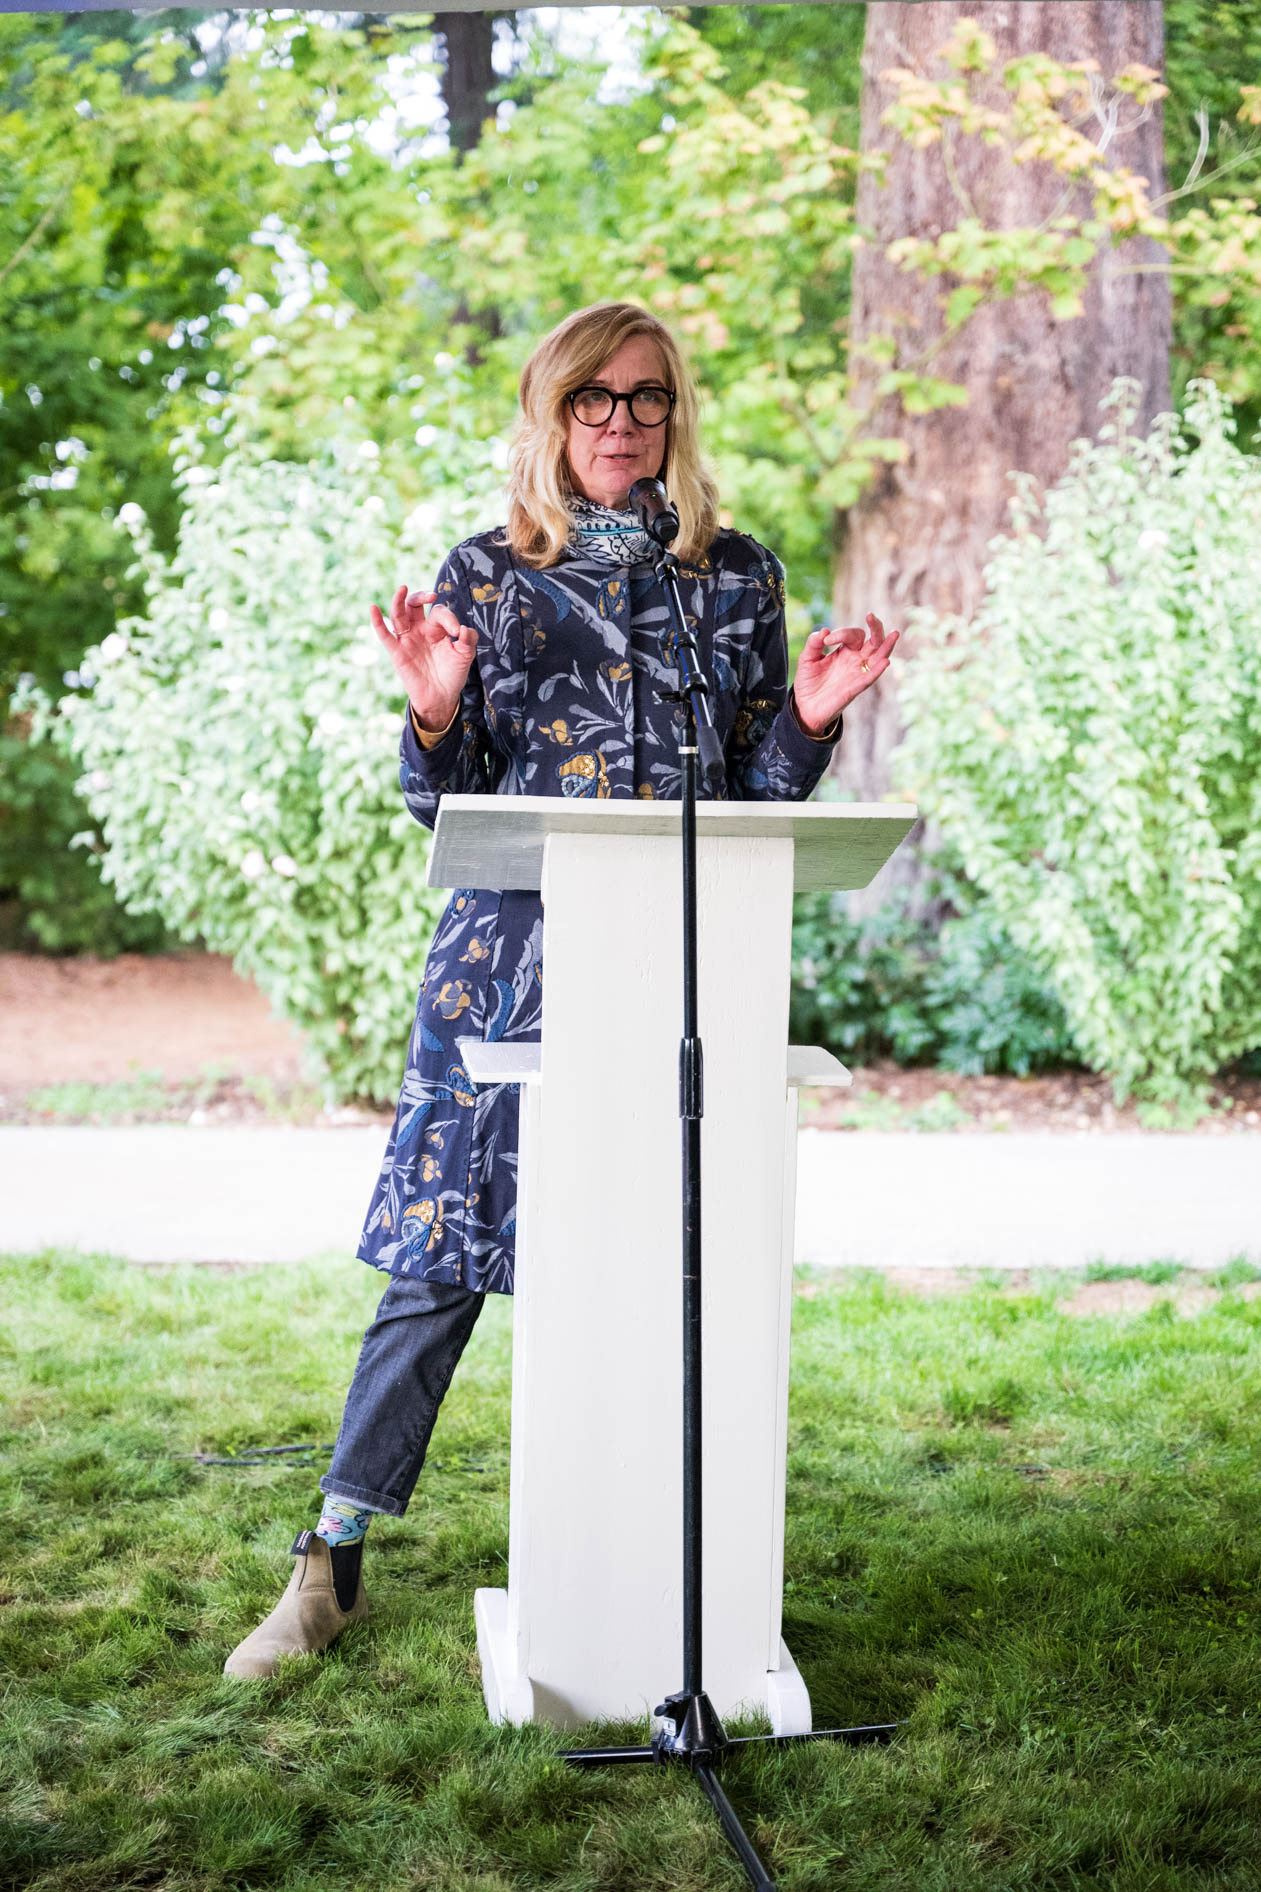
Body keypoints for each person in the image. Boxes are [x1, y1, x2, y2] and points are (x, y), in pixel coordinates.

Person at [223, 301, 898, 1678]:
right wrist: (430, 708)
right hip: (507, 977)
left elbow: (752, 795)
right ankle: (329, 1560)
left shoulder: (733, 578)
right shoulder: (486, 574)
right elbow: (438, 799)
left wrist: (810, 723)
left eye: (645, 398)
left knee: (673, 1270)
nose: (621, 424)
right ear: (550, 413)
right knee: (436, 1264)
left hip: (678, 982)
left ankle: (661, 1562)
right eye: (592, 398)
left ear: (673, 416)